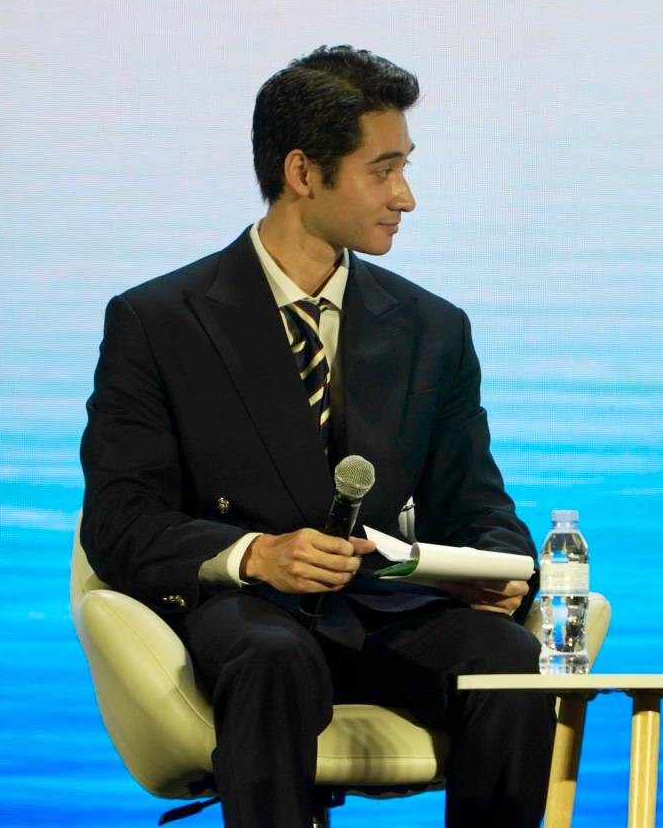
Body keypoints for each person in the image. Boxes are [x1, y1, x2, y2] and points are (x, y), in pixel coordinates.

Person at [80, 46, 553, 828]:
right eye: (383, 170)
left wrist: (500, 571)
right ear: (303, 173)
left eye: (405, 168)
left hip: (390, 613)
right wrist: (255, 554)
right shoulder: (158, 322)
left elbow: (476, 504)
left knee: (507, 659)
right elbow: (120, 521)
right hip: (246, 612)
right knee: (273, 656)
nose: (405, 197)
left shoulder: (433, 328)